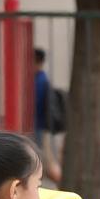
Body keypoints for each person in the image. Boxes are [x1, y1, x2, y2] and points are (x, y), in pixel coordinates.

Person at [33, 48, 62, 185]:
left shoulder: (40, 80)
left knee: (44, 159)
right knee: (45, 158)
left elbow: (35, 103)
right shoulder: (41, 78)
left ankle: (61, 182)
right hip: (40, 126)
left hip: (40, 126)